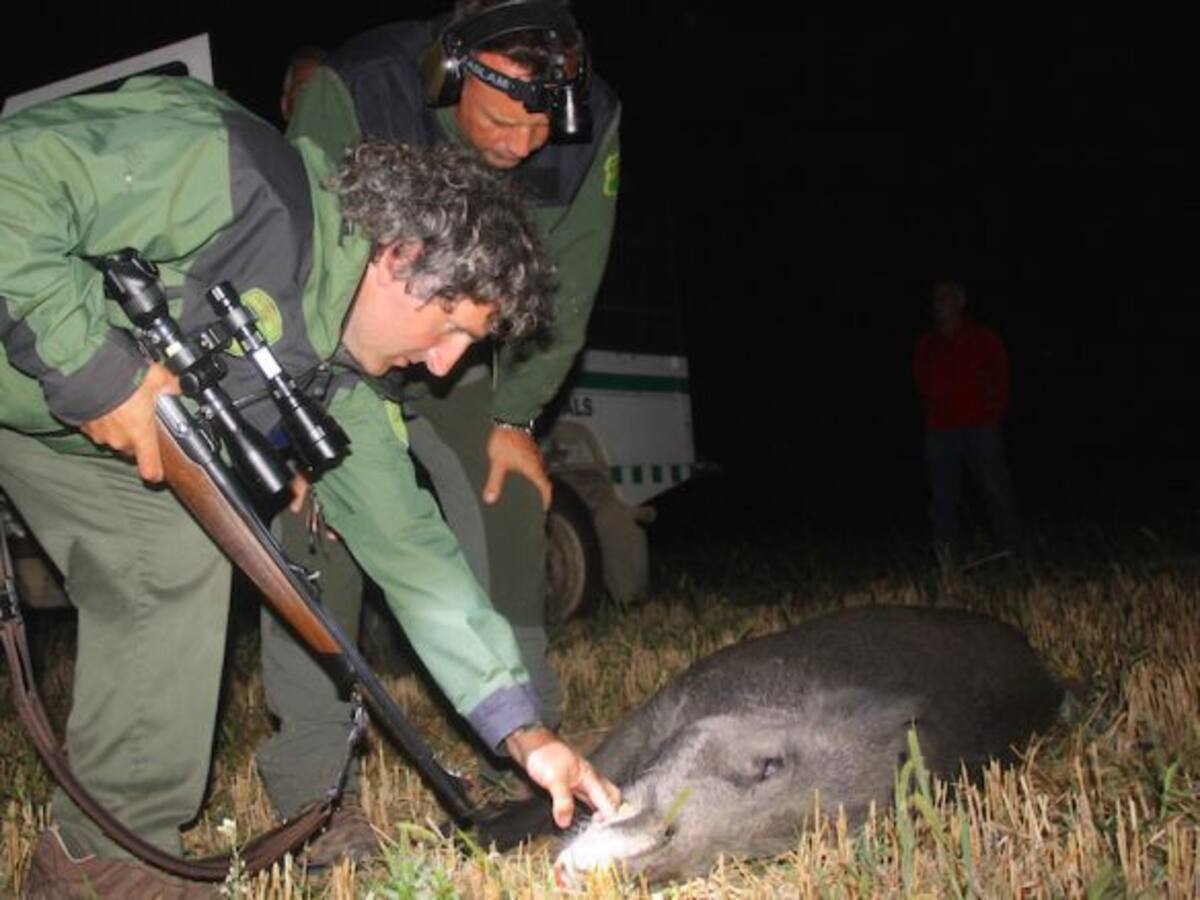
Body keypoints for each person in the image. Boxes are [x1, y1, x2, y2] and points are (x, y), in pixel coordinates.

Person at [0, 74, 618, 898]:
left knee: (181, 544)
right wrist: (93, 367)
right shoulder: (234, 170)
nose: (444, 368)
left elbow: (414, 556)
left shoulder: (339, 382)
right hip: (36, 358)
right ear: (401, 257)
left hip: (42, 422)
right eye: (451, 329)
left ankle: (102, 864)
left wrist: (523, 734)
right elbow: (13, 182)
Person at [258, 0, 622, 850]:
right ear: (449, 75)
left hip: (460, 342)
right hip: (343, 340)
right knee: (317, 531)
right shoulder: (358, 87)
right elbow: (295, 256)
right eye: (501, 121)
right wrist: (290, 416)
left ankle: (527, 748)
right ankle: (316, 794)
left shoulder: (591, 123)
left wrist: (515, 414)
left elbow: (568, 284)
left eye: (540, 128)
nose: (523, 146)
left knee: (507, 497)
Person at [913, 279, 1020, 563]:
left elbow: (1001, 377)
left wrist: (992, 412)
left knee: (996, 490)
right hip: (941, 430)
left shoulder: (984, 338)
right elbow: (922, 382)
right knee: (943, 498)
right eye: (935, 299)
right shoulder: (927, 345)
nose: (938, 304)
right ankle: (948, 561)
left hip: (981, 427)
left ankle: (1009, 553)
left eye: (944, 297)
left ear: (960, 302)